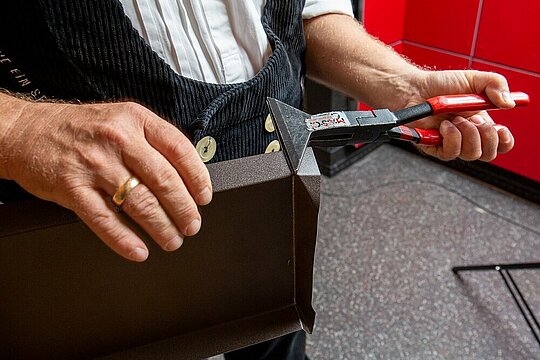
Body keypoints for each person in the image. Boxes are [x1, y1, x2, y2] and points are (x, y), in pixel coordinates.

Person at [0, 1, 516, 358]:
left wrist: (402, 84)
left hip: (272, 201)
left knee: (274, 334)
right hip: (87, 233)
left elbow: (309, 11)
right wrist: (20, 128)